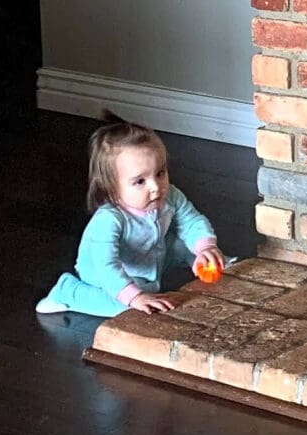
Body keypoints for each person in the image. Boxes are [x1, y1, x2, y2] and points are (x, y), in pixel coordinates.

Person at [36, 117, 222, 318]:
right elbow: (107, 266)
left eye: (160, 173)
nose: (155, 187)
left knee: (185, 241)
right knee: (127, 309)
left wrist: (205, 247)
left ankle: (209, 260)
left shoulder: (170, 196)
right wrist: (135, 297)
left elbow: (191, 221)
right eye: (140, 181)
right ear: (112, 189)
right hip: (107, 276)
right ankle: (68, 292)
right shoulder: (109, 220)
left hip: (151, 258)